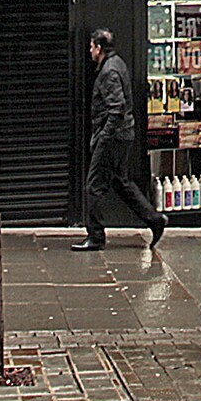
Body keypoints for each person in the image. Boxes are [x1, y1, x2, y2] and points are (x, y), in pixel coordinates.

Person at [73, 28, 164, 252]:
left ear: (99, 48)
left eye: (92, 47)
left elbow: (117, 108)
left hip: (113, 137)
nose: (90, 51)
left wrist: (104, 137)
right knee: (121, 183)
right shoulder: (117, 64)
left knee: (94, 186)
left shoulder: (109, 72)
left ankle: (95, 236)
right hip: (123, 135)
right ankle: (153, 219)